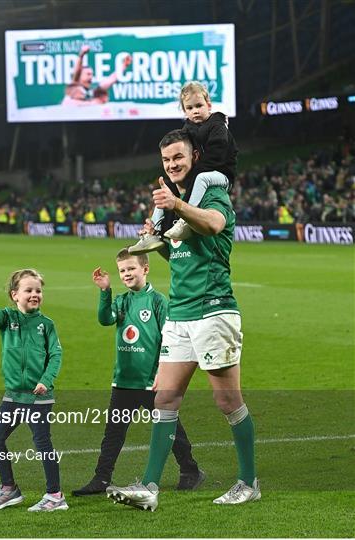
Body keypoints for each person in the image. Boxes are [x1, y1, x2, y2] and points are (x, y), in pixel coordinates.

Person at [107, 130, 259, 511]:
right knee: (165, 397)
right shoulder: (172, 204)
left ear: (194, 157)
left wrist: (176, 204)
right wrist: (154, 239)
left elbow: (212, 225)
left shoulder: (210, 194)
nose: (172, 165)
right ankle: (150, 485)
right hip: (180, 313)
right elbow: (180, 255)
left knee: (228, 401)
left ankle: (248, 481)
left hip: (213, 309)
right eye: (167, 160)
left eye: (178, 158)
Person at [72, 249, 204, 496]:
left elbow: (170, 339)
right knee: (113, 433)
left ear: (145, 269)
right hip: (123, 380)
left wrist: (161, 372)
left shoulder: (158, 302)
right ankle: (101, 479)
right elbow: (105, 319)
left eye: (131, 268)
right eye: (122, 270)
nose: (126, 274)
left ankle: (190, 470)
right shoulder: (121, 301)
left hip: (151, 381)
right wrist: (104, 291)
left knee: (170, 429)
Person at [0, 269, 67, 512]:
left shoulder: (47, 325)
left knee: (42, 443)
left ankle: (55, 495)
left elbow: (56, 355)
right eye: (28, 290)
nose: (34, 294)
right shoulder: (7, 319)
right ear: (15, 295)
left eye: (38, 290)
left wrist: (46, 379)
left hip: (38, 397)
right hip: (13, 396)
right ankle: (8, 488)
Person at [129, 81, 238, 255]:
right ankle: (153, 231)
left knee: (201, 178)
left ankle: (184, 221)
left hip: (222, 174)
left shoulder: (217, 125)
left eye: (199, 106)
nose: (195, 111)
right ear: (184, 110)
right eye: (190, 108)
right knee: (167, 187)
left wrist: (192, 175)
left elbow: (216, 157)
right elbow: (175, 258)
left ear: (208, 104)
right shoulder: (188, 128)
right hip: (201, 172)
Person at [62, 45, 132, 106]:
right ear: (80, 75)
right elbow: (77, 71)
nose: (91, 76)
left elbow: (111, 79)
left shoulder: (94, 89)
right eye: (88, 74)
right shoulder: (74, 86)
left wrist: (124, 65)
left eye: (92, 74)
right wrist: (82, 55)